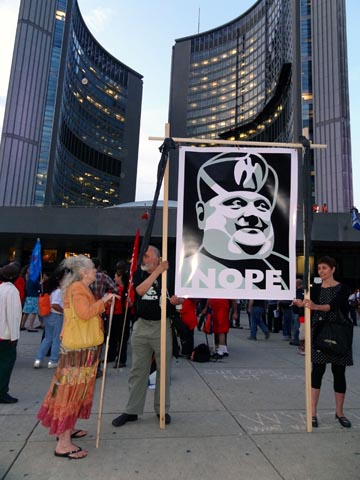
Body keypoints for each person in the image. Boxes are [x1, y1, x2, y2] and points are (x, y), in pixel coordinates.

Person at [37, 255, 115, 459]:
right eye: (92, 270)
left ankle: (66, 430)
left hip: (78, 346)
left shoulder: (76, 287)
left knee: (70, 391)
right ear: (83, 273)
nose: (95, 273)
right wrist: (104, 301)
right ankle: (63, 443)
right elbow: (84, 313)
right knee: (71, 392)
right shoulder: (79, 288)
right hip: (79, 349)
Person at [180, 151, 290, 292]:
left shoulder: (281, 275)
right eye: (236, 203)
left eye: (261, 206)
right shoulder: (188, 273)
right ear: (202, 214)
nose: (252, 215)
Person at [112, 245, 182, 428]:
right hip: (141, 325)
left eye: (147, 256)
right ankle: (132, 410)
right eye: (144, 256)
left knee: (163, 370)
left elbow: (181, 297)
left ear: (157, 258)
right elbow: (140, 291)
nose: (143, 259)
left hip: (162, 325)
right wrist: (158, 271)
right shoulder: (139, 274)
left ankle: (162, 409)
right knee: (138, 370)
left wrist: (178, 301)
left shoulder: (171, 275)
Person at [293, 256, 353, 428]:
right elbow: (308, 304)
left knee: (339, 373)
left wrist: (315, 306)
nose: (321, 271)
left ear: (333, 269)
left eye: (325, 268)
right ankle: (313, 413)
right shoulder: (315, 288)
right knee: (317, 372)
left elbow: (333, 306)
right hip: (319, 333)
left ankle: (339, 413)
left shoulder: (343, 288)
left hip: (339, 335)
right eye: (319, 269)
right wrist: (300, 303)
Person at [33, 267, 66, 369]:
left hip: (48, 315)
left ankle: (38, 359)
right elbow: (55, 304)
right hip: (57, 315)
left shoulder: (49, 288)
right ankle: (53, 360)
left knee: (47, 338)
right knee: (56, 339)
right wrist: (64, 312)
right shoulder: (58, 291)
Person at [0, 263, 22, 404]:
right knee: (6, 365)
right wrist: (14, 336)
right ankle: (2, 392)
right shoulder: (12, 291)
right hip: (6, 334)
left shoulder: (1, 288)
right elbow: (13, 316)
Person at [20, 267, 41, 332]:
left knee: (26, 312)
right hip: (34, 297)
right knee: (34, 312)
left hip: (28, 297)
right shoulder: (34, 280)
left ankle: (22, 325)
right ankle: (31, 326)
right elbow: (39, 287)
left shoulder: (28, 279)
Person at [289, 278, 304, 346]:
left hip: (297, 313)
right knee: (300, 326)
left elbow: (298, 300)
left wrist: (294, 302)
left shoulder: (298, 291)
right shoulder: (304, 291)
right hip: (301, 312)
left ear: (297, 284)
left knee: (297, 326)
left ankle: (296, 340)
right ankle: (298, 339)